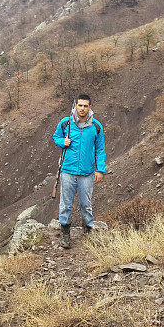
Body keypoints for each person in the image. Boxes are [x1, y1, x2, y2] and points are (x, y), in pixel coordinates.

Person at [52, 94, 106, 248]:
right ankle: (65, 234)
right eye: (80, 105)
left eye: (85, 106)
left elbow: (100, 149)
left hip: (87, 172)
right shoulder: (65, 123)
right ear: (75, 106)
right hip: (68, 170)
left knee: (86, 204)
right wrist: (63, 141)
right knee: (65, 204)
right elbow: (56, 137)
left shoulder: (96, 126)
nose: (82, 108)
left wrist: (100, 170)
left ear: (90, 107)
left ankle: (88, 231)